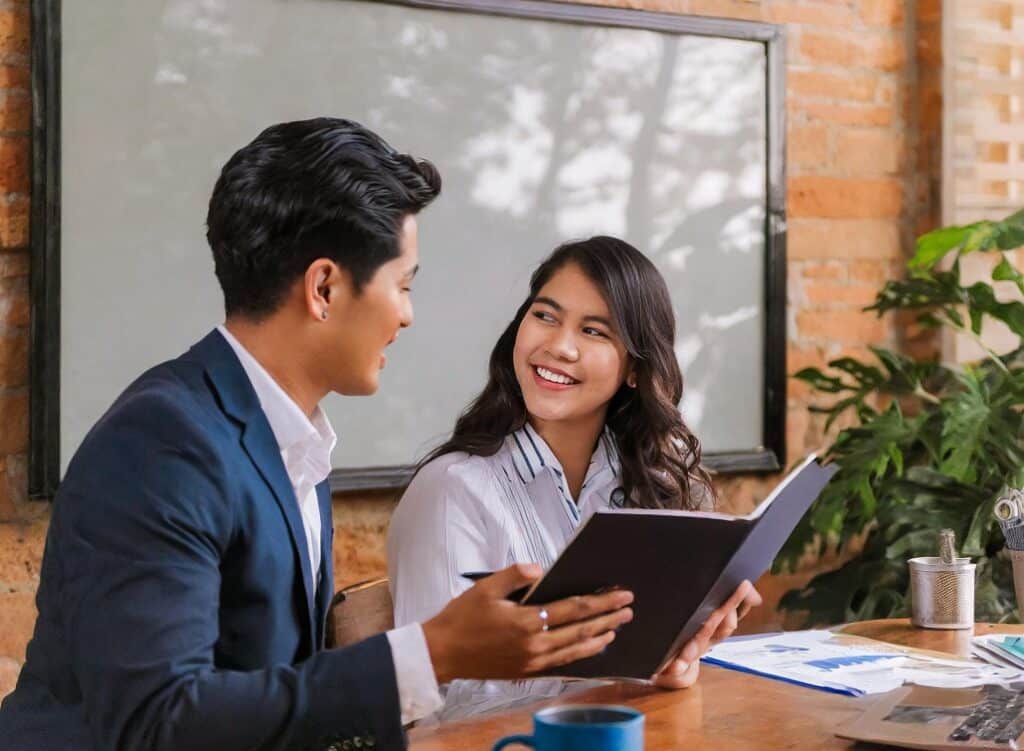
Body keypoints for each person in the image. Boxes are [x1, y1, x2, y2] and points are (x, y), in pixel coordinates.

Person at [0, 119, 635, 751]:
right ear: (325, 288)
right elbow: (160, 721)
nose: (408, 314)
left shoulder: (290, 439)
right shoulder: (159, 446)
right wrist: (430, 653)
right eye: (403, 284)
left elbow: (275, 695)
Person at [388, 236, 762, 718]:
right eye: (545, 316)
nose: (559, 347)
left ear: (634, 369)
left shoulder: (651, 483)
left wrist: (672, 660)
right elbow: (438, 708)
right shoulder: (451, 491)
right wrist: (604, 675)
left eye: (594, 331)